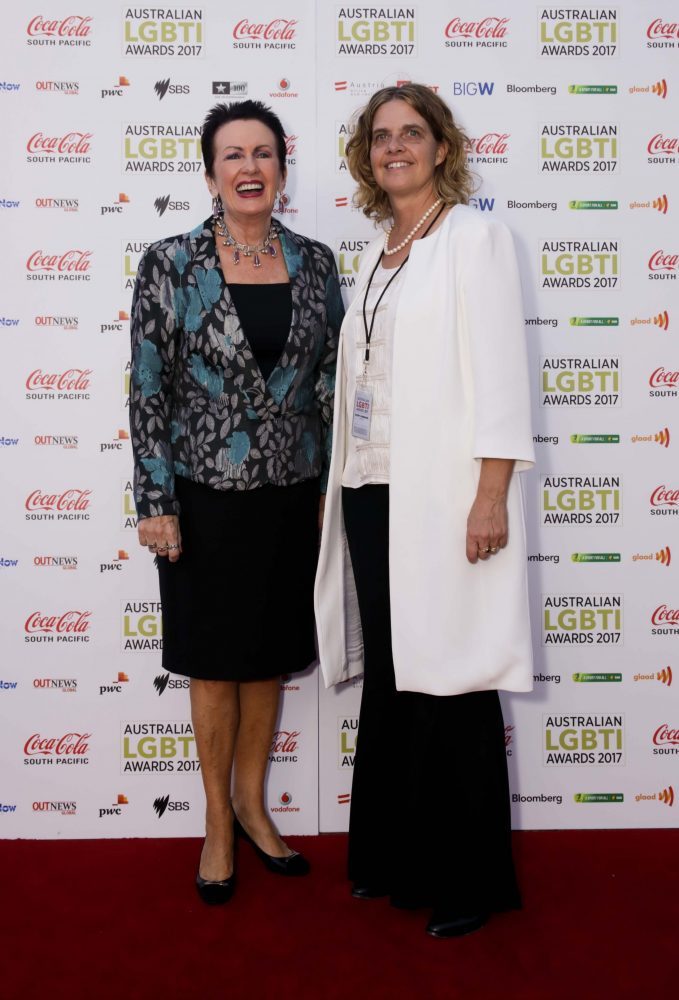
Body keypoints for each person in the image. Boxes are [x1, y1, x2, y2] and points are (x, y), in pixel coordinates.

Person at [314, 84, 534, 938]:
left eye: (411, 134)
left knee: (452, 674)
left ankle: (468, 879)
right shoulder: (375, 251)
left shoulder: (475, 239)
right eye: (380, 137)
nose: (394, 148)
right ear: (366, 157)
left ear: (442, 147)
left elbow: (501, 378)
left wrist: (489, 495)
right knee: (398, 679)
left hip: (443, 497)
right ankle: (390, 855)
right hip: (371, 493)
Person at [130, 100, 342, 904]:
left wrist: (331, 492)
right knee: (214, 666)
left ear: (282, 167)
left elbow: (329, 386)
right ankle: (217, 823)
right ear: (210, 170)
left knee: (267, 663)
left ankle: (254, 806)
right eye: (232, 155)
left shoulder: (318, 263)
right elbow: (148, 386)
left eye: (263, 152)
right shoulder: (171, 261)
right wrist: (155, 498)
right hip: (202, 496)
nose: (249, 167)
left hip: (292, 496)